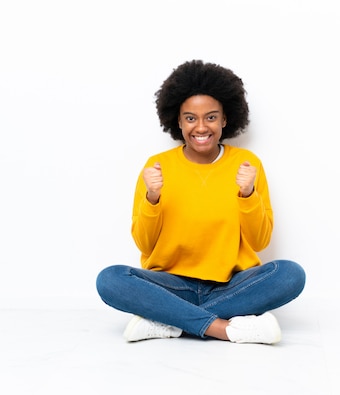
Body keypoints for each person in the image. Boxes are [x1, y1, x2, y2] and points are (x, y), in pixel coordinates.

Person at [96, 60, 306, 344]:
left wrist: (247, 194)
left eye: (211, 117)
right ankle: (223, 328)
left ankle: (168, 321)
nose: (201, 127)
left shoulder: (247, 165)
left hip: (230, 286)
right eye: (191, 118)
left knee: (289, 274)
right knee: (110, 279)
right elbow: (145, 245)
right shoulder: (157, 167)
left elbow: (259, 242)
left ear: (225, 119)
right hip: (171, 285)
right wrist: (153, 198)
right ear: (179, 121)